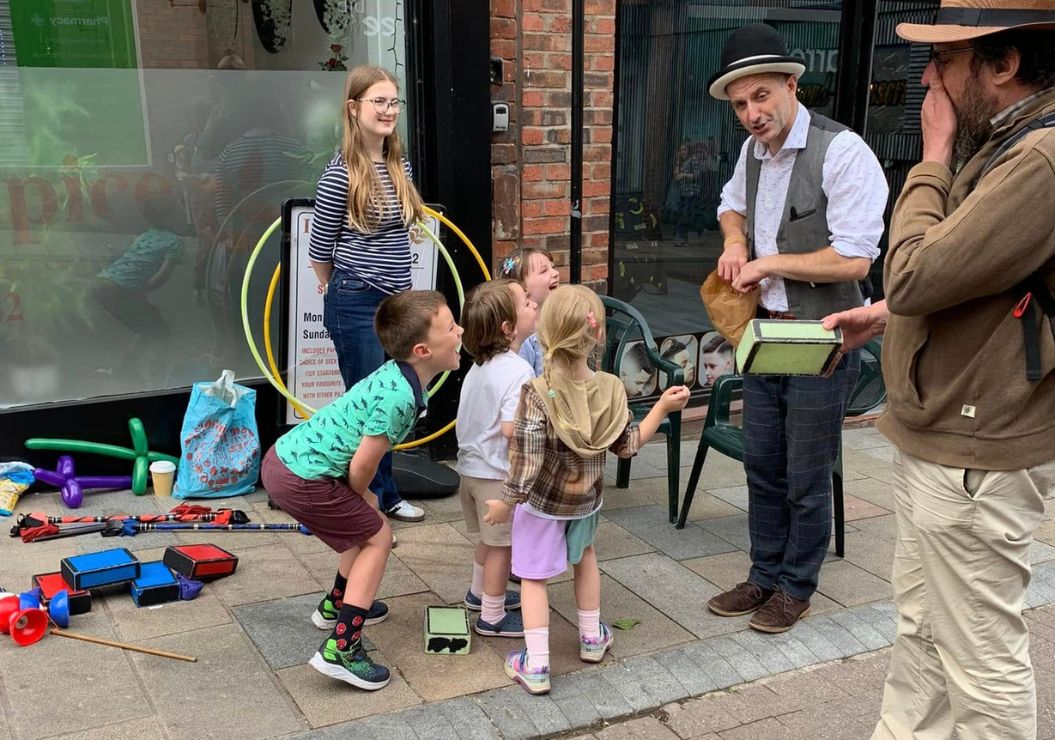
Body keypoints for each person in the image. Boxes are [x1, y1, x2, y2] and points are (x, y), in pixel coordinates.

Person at [822, 6, 1055, 736]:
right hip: (941, 439)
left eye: (944, 60)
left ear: (1001, 63)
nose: (928, 78)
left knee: (980, 661)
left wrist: (929, 155)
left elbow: (920, 270)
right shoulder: (1009, 145)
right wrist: (890, 314)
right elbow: (979, 275)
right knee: (921, 629)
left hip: (974, 454)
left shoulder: (1039, 160)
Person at [706, 23, 888, 633]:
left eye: (760, 96)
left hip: (823, 334)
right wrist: (735, 240)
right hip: (765, 332)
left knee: (807, 473)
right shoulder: (752, 152)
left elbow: (856, 258)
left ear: (791, 84)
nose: (751, 114)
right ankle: (763, 574)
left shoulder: (843, 151)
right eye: (740, 105)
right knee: (763, 463)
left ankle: (795, 586)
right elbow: (731, 203)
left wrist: (766, 261)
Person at [483, 285, 689, 695]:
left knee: (534, 580)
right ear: (598, 337)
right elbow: (628, 446)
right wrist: (662, 409)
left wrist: (505, 504)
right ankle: (592, 638)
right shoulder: (612, 388)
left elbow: (525, 464)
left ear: (544, 337)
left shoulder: (537, 393)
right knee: (586, 558)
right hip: (587, 503)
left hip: (542, 506)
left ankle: (537, 664)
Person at [260, 290, 463, 691]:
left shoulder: (400, 378)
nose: (460, 332)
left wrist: (361, 500)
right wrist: (364, 496)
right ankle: (341, 648)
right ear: (423, 350)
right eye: (451, 327)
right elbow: (364, 464)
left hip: (287, 461)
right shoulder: (400, 397)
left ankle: (337, 605)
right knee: (378, 538)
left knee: (364, 529)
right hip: (302, 476)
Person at [308, 65, 426, 524]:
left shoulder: (400, 164)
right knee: (372, 407)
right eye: (378, 101)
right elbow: (319, 248)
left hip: (397, 304)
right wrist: (332, 283)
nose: (388, 110)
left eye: (394, 101)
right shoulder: (341, 173)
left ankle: (378, 495)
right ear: (354, 108)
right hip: (357, 302)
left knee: (395, 400)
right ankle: (374, 501)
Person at [456, 279, 538, 638]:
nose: (534, 304)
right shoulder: (518, 369)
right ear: (508, 328)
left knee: (489, 542)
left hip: (470, 472)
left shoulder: (478, 369)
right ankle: (492, 616)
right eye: (525, 302)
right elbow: (510, 429)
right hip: (495, 477)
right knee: (503, 547)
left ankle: (477, 594)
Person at [92, 190, 185, 381]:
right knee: (160, 331)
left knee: (149, 324)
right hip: (121, 289)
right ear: (172, 215)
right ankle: (157, 378)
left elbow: (125, 256)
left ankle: (125, 368)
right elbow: (162, 276)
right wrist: (142, 290)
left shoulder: (146, 234)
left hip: (101, 282)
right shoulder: (175, 243)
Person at [498, 247, 560, 376]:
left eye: (553, 267)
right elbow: (523, 384)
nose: (555, 273)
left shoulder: (556, 319)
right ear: (521, 287)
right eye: (544, 271)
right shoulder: (523, 336)